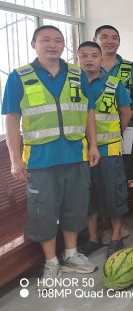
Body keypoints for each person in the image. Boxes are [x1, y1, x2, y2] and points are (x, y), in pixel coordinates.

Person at [3, 25, 100, 280]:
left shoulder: (77, 74)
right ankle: (50, 261)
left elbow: (88, 111)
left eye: (58, 40)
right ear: (34, 44)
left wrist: (93, 144)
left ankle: (71, 254)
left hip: (75, 154)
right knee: (43, 211)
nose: (53, 44)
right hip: (40, 159)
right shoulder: (19, 76)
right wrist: (15, 159)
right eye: (46, 40)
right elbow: (11, 118)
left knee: (74, 207)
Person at [76, 42, 132, 258]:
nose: (89, 60)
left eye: (94, 55)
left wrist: (115, 132)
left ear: (101, 59)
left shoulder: (114, 84)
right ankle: (93, 238)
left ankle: (116, 236)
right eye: (84, 56)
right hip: (81, 150)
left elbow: (126, 113)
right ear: (78, 59)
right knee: (88, 194)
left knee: (114, 192)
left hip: (109, 149)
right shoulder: (74, 84)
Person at [93, 25, 133, 229]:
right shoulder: (86, 67)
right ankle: (101, 222)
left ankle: (118, 222)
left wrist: (120, 130)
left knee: (121, 173)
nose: (110, 41)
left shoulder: (130, 68)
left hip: (126, 128)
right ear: (96, 40)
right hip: (91, 132)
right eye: (104, 37)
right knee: (94, 176)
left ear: (119, 41)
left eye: (114, 37)